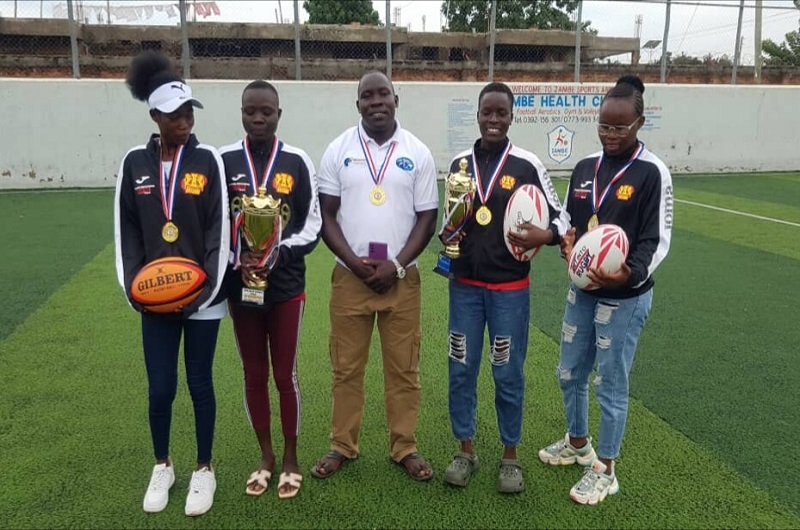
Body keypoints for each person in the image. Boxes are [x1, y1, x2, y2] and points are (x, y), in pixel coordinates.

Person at [538, 75, 673, 505]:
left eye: (619, 128)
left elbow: (657, 239)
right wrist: (567, 243)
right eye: (603, 126)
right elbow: (572, 223)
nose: (610, 135)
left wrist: (627, 274)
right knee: (569, 371)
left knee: (609, 382)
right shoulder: (585, 168)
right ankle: (578, 443)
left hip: (625, 296)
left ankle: (606, 469)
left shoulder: (653, 173)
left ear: (639, 122)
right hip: (583, 291)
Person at [114, 51, 229, 516]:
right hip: (154, 303)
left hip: (203, 298)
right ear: (154, 116)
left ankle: (204, 469)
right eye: (175, 115)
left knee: (199, 382)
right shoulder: (133, 164)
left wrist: (205, 290)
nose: (184, 122)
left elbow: (221, 231)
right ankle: (163, 464)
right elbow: (126, 234)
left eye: (188, 113)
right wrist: (137, 295)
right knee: (160, 387)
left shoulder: (208, 161)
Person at [439, 82, 568, 494]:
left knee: (507, 372)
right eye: (487, 113)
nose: (493, 120)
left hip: (509, 292)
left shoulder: (527, 164)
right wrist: (447, 236)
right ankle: (466, 449)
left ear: (512, 117)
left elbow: (562, 218)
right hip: (464, 288)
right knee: (461, 368)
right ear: (477, 115)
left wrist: (545, 237)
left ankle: (510, 456)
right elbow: (450, 219)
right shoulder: (459, 164)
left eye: (501, 113)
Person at [310, 71, 438, 482]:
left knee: (404, 369)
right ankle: (342, 444)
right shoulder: (338, 150)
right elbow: (326, 214)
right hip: (351, 278)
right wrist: (353, 262)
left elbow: (427, 218)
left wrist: (396, 265)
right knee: (346, 368)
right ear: (358, 104)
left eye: (383, 94)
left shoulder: (417, 152)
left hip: (402, 278)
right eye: (367, 96)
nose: (376, 101)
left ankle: (405, 446)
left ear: (396, 99)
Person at [220, 80, 321, 499]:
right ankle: (265, 456)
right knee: (253, 374)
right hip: (240, 287)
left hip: (285, 288)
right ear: (241, 113)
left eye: (266, 111)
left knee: (285, 375)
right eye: (250, 111)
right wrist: (234, 260)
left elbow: (311, 224)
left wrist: (277, 252)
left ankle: (292, 457)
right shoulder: (223, 160)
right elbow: (213, 223)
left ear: (279, 113)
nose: (258, 118)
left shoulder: (297, 161)